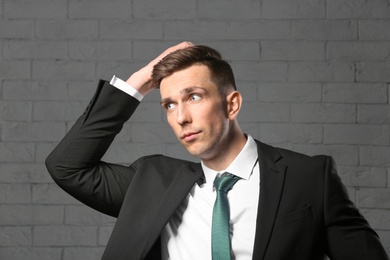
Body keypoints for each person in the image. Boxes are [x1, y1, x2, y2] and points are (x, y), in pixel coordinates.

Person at [45, 42, 389, 260]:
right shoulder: (150, 183)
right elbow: (66, 166)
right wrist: (140, 82)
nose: (181, 117)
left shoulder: (309, 178)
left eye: (193, 97)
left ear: (232, 104)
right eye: (168, 104)